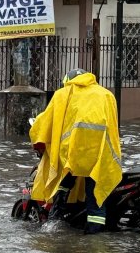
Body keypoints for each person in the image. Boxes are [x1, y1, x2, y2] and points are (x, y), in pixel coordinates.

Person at [28, 68, 123, 234]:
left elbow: (45, 121)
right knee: (95, 194)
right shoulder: (106, 94)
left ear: (67, 81)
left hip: (75, 151)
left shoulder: (63, 93)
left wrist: (35, 136)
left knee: (63, 183)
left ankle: (55, 220)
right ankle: (95, 236)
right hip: (101, 152)